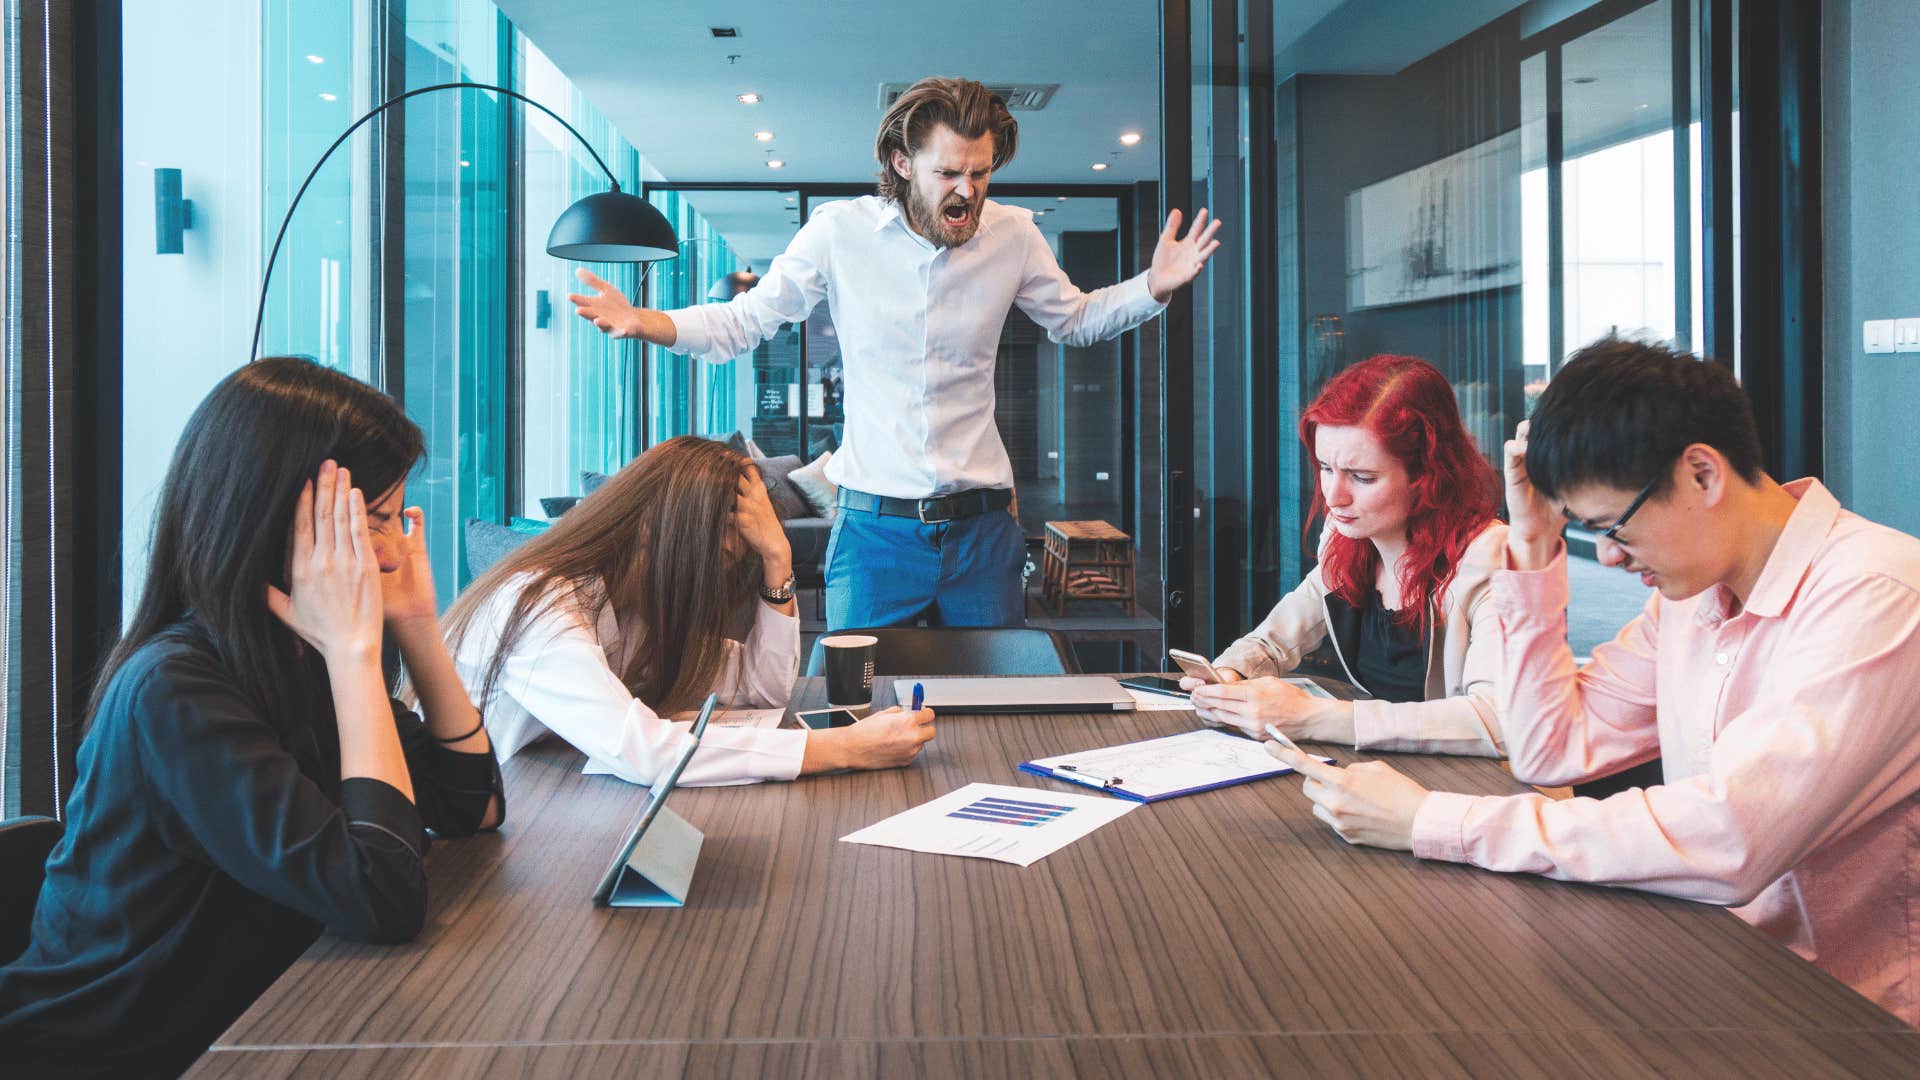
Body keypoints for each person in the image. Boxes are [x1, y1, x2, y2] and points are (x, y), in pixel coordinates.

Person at [1267, 338, 1920, 1025]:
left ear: (1702, 474)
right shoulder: (1690, 595)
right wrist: (1533, 546)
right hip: (1720, 966)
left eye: (1615, 528)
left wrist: (1433, 820)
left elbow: (1731, 840)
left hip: (1853, 1022)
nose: (1607, 557)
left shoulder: (1875, 593)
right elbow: (1551, 747)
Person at [567, 76, 1222, 631]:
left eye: (980, 173)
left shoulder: (1014, 235)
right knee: (857, 707)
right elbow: (745, 321)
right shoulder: (839, 232)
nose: (966, 192)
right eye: (948, 173)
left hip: (983, 533)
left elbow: (1074, 320)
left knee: (999, 709)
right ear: (903, 163)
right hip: (874, 535)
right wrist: (644, 321)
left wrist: (1151, 287)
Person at [0, 358, 504, 1077]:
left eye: (395, 521)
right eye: (374, 523)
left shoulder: (296, 659)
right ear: (277, 523)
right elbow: (382, 895)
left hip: (244, 1023)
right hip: (110, 1054)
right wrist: (356, 657)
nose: (392, 551)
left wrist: (420, 628)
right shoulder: (175, 690)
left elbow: (471, 805)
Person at [442, 435, 936, 787]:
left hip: (537, 798)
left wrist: (777, 560)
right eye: (722, 554)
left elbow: (761, 689)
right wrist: (845, 749)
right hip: (475, 831)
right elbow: (644, 752)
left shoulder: (630, 610)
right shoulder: (542, 605)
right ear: (664, 529)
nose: (720, 577)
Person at [1184, 355, 1509, 756]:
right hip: (1390, 777)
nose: (1334, 497)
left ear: (1428, 476)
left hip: (1480, 797)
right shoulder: (1347, 538)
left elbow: (1496, 721)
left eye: (1362, 477)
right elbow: (1272, 641)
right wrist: (1230, 677)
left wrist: (1313, 716)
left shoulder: (1492, 559)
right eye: (1325, 468)